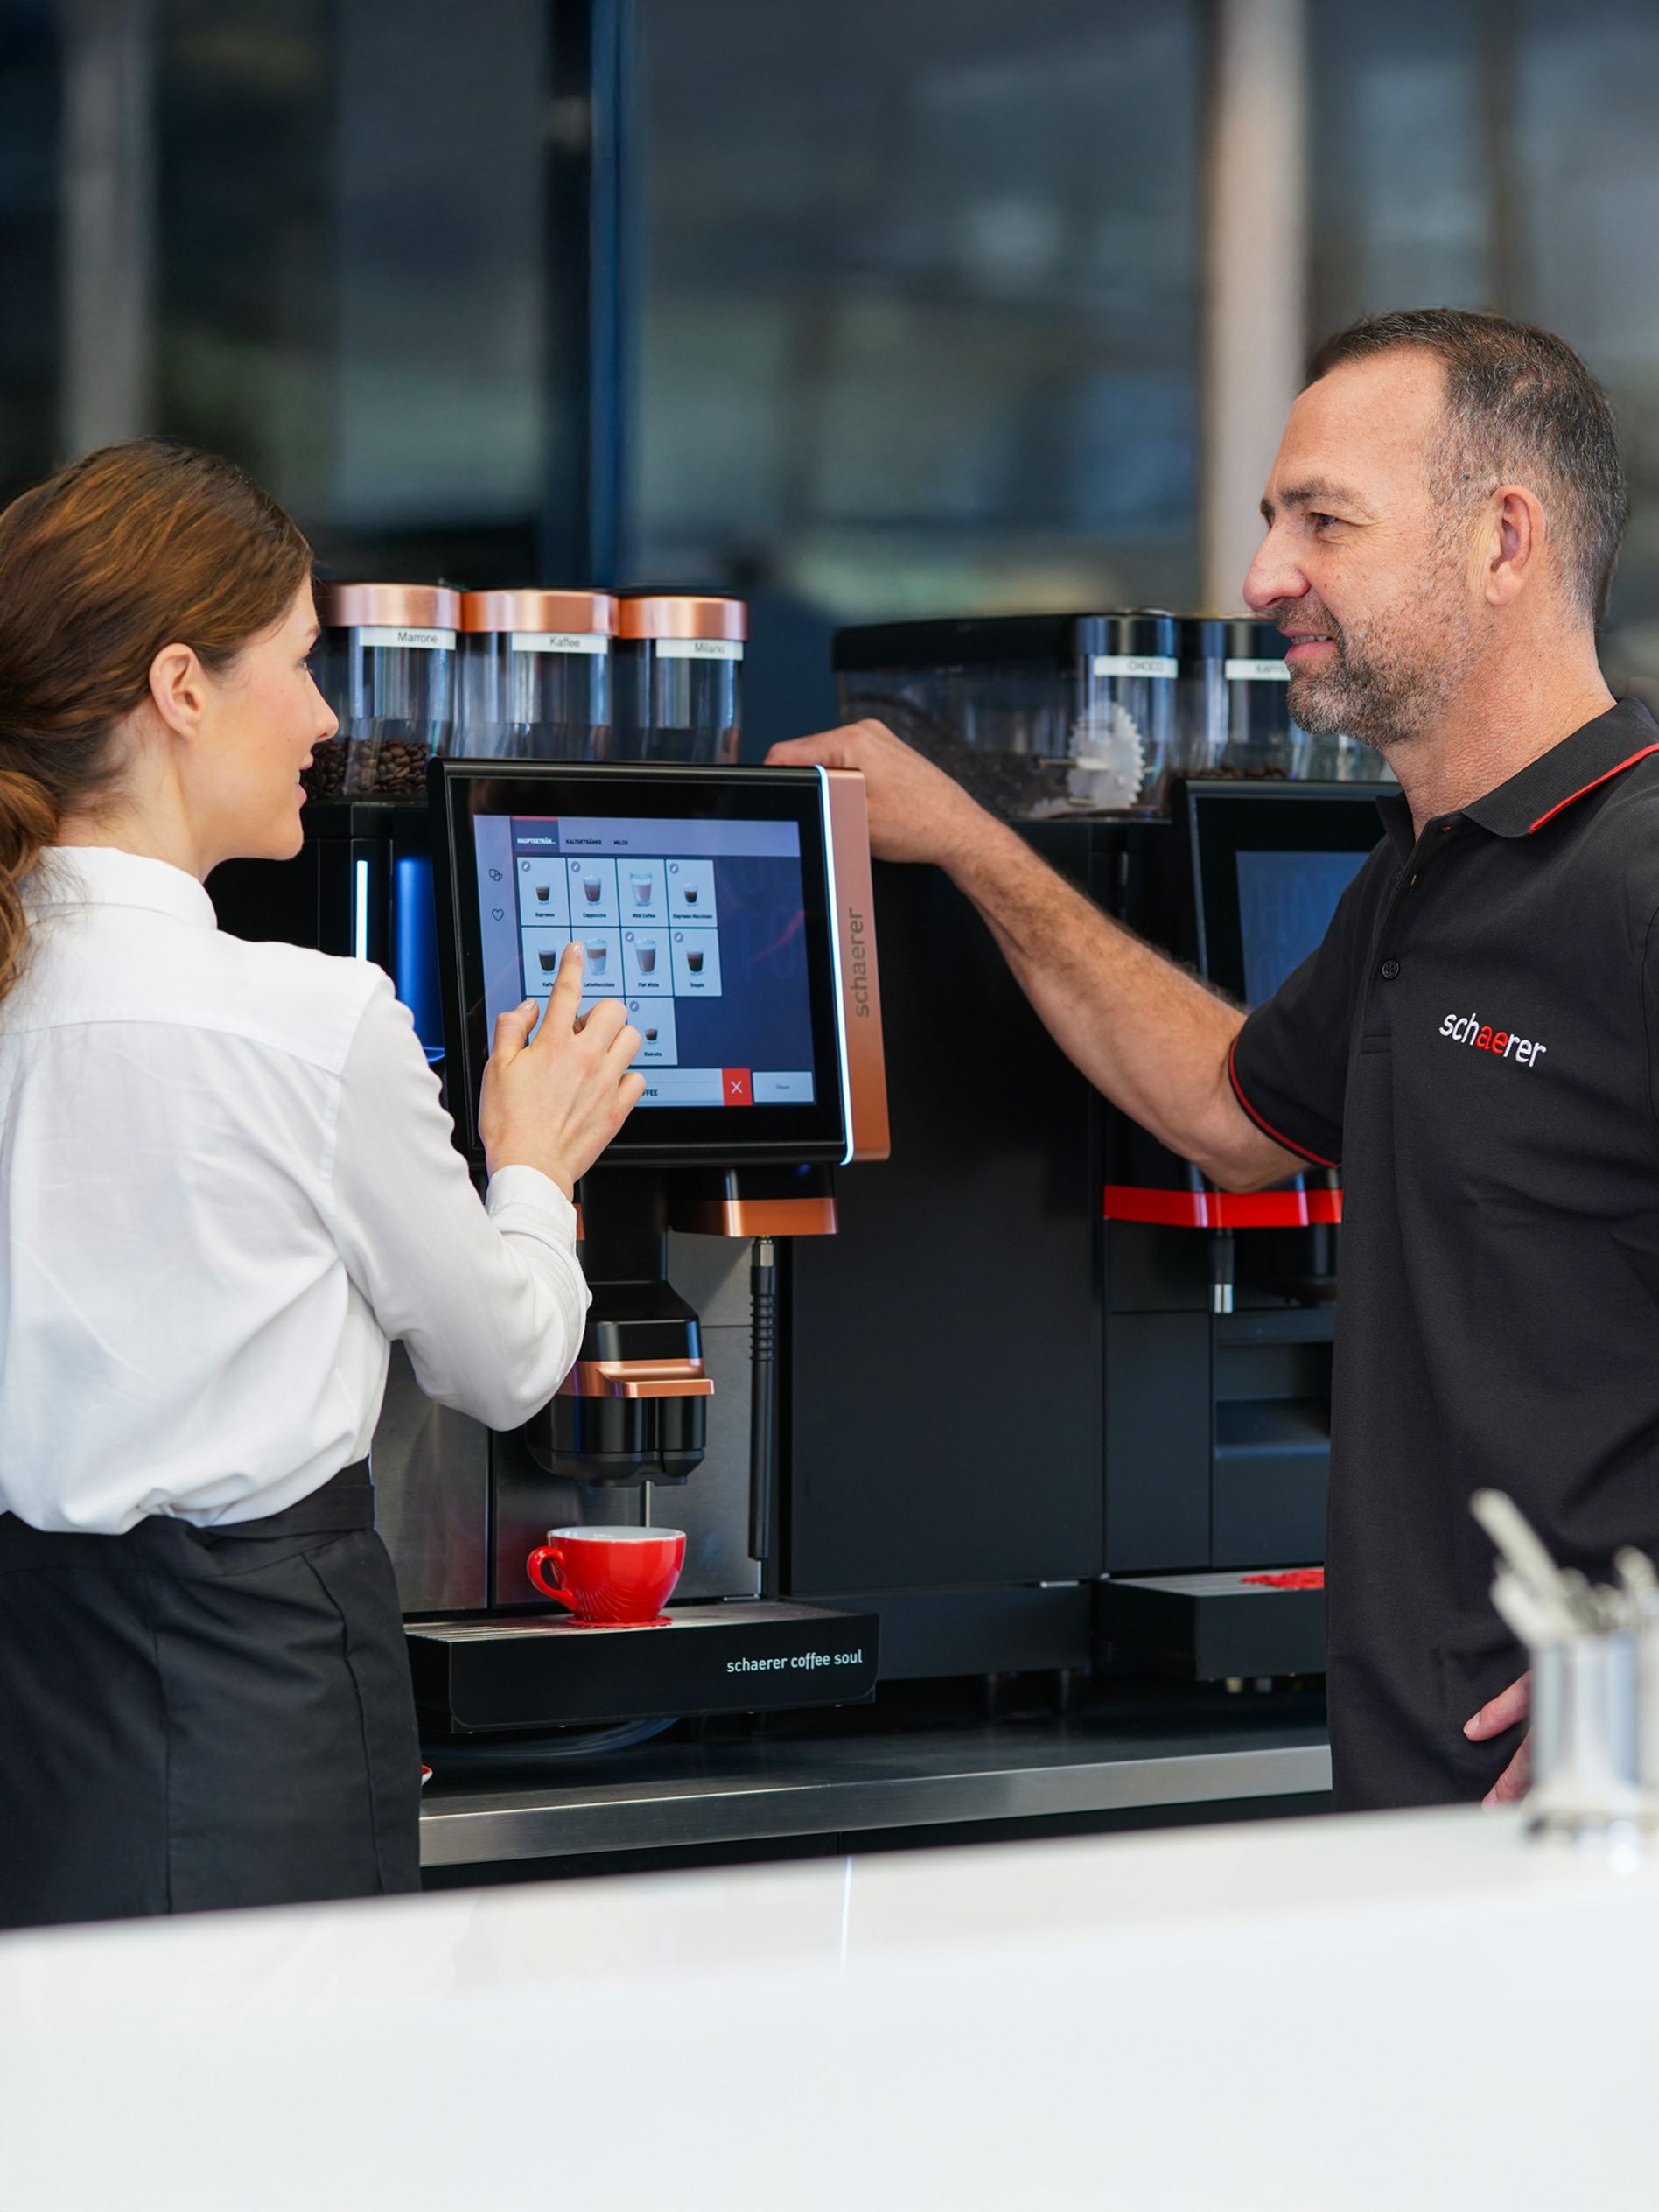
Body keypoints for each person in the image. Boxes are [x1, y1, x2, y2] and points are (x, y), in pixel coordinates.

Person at [773, 308, 1657, 1813]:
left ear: (1504, 539)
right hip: (1431, 1797)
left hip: (1607, 1813)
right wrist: (975, 845)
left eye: (1326, 520)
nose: (1265, 577)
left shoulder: (1637, 875)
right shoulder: (1422, 877)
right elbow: (1230, 1111)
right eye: (1270, 520)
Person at [0, 440, 643, 1928]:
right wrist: (535, 1167)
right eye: (296, 663)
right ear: (180, 688)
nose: (328, 716)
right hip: (253, 1711)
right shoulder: (309, 1021)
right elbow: (503, 1365)